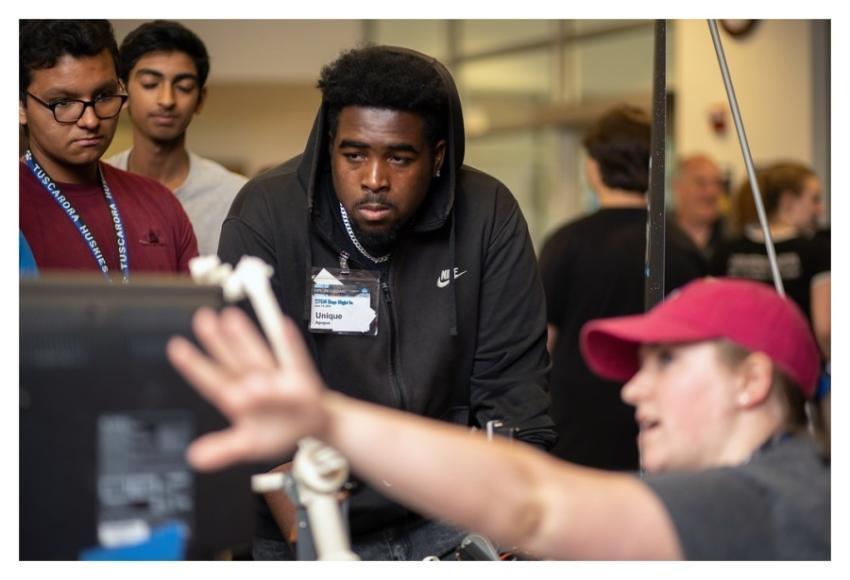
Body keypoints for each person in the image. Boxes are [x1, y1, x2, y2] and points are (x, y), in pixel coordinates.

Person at [167, 277, 829, 560]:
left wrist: (325, 417)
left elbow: (534, 504)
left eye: (666, 364)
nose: (634, 393)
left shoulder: (769, 501)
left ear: (750, 381)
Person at [216, 45, 556, 560]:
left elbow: (513, 382)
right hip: (309, 511)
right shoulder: (268, 213)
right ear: (331, 147)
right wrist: (303, 510)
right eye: (354, 155)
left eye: (399, 157)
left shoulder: (487, 215)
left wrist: (516, 514)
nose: (375, 179)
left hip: (447, 509)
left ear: (437, 157)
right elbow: (244, 378)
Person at [539, 105, 705, 470]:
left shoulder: (566, 242)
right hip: (657, 416)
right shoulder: (678, 244)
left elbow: (541, 342)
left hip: (578, 424)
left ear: (595, 167)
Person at [19, 20, 198, 277]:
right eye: (63, 102)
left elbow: (195, 314)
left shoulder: (160, 203)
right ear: (20, 106)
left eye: (103, 96)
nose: (90, 120)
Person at [107, 20, 247, 257]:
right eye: (150, 84)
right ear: (123, 92)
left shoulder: (236, 197)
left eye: (183, 87)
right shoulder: (96, 185)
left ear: (200, 99)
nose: (167, 99)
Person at [711, 161, 828, 326]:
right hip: (795, 350)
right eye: (814, 199)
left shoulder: (726, 251)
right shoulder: (819, 250)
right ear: (788, 201)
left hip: (740, 350)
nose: (820, 209)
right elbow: (827, 330)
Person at [670, 153, 727, 261]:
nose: (712, 192)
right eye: (701, 183)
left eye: (717, 183)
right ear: (678, 188)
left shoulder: (731, 240)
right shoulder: (661, 240)